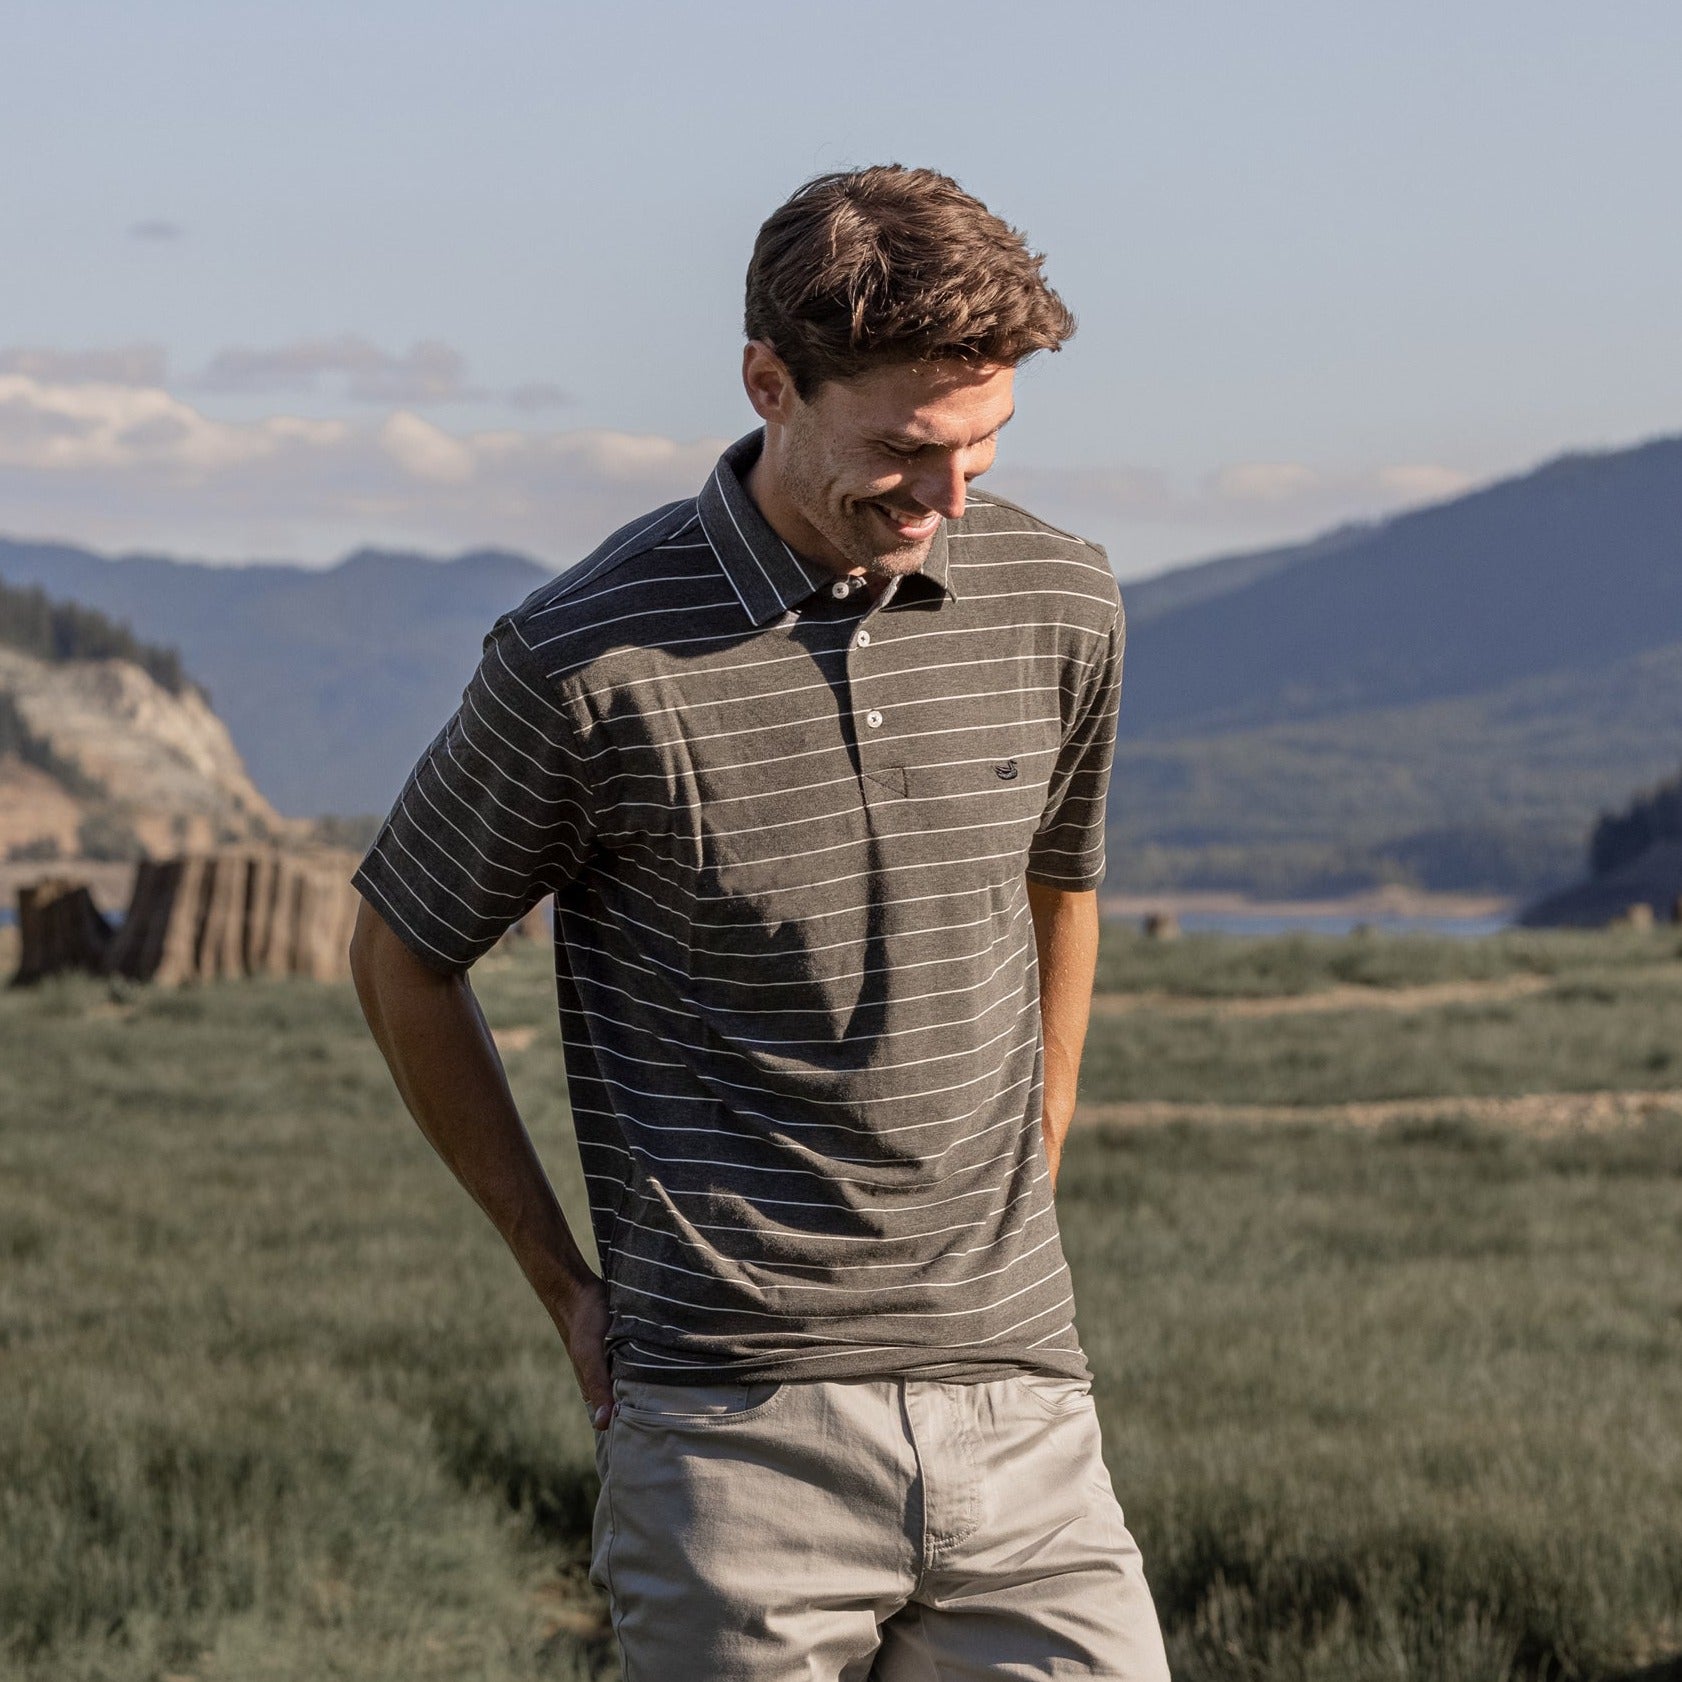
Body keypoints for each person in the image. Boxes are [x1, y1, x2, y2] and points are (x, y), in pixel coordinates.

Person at [349, 164, 1171, 1680]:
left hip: (1026, 1414)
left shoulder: (1059, 595)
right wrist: (560, 1280)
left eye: (985, 443)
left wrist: (1041, 1145)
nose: (948, 501)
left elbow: (1062, 880)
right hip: (730, 1439)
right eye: (904, 451)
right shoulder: (580, 659)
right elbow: (401, 953)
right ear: (768, 383)